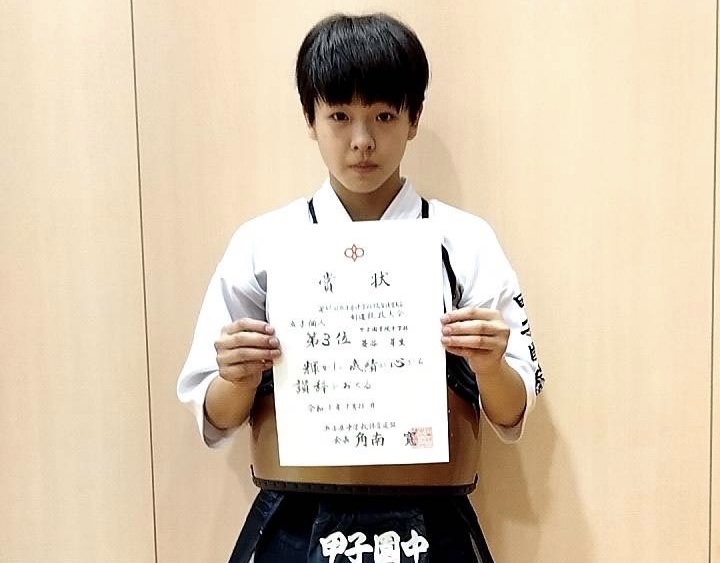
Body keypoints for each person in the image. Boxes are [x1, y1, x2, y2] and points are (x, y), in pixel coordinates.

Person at [178, 12, 544, 563]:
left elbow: (513, 413)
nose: (362, 141)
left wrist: (490, 366)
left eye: (384, 115)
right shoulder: (263, 245)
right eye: (339, 116)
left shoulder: (465, 242)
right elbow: (216, 416)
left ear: (414, 119)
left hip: (430, 515)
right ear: (310, 119)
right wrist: (238, 377)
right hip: (297, 516)